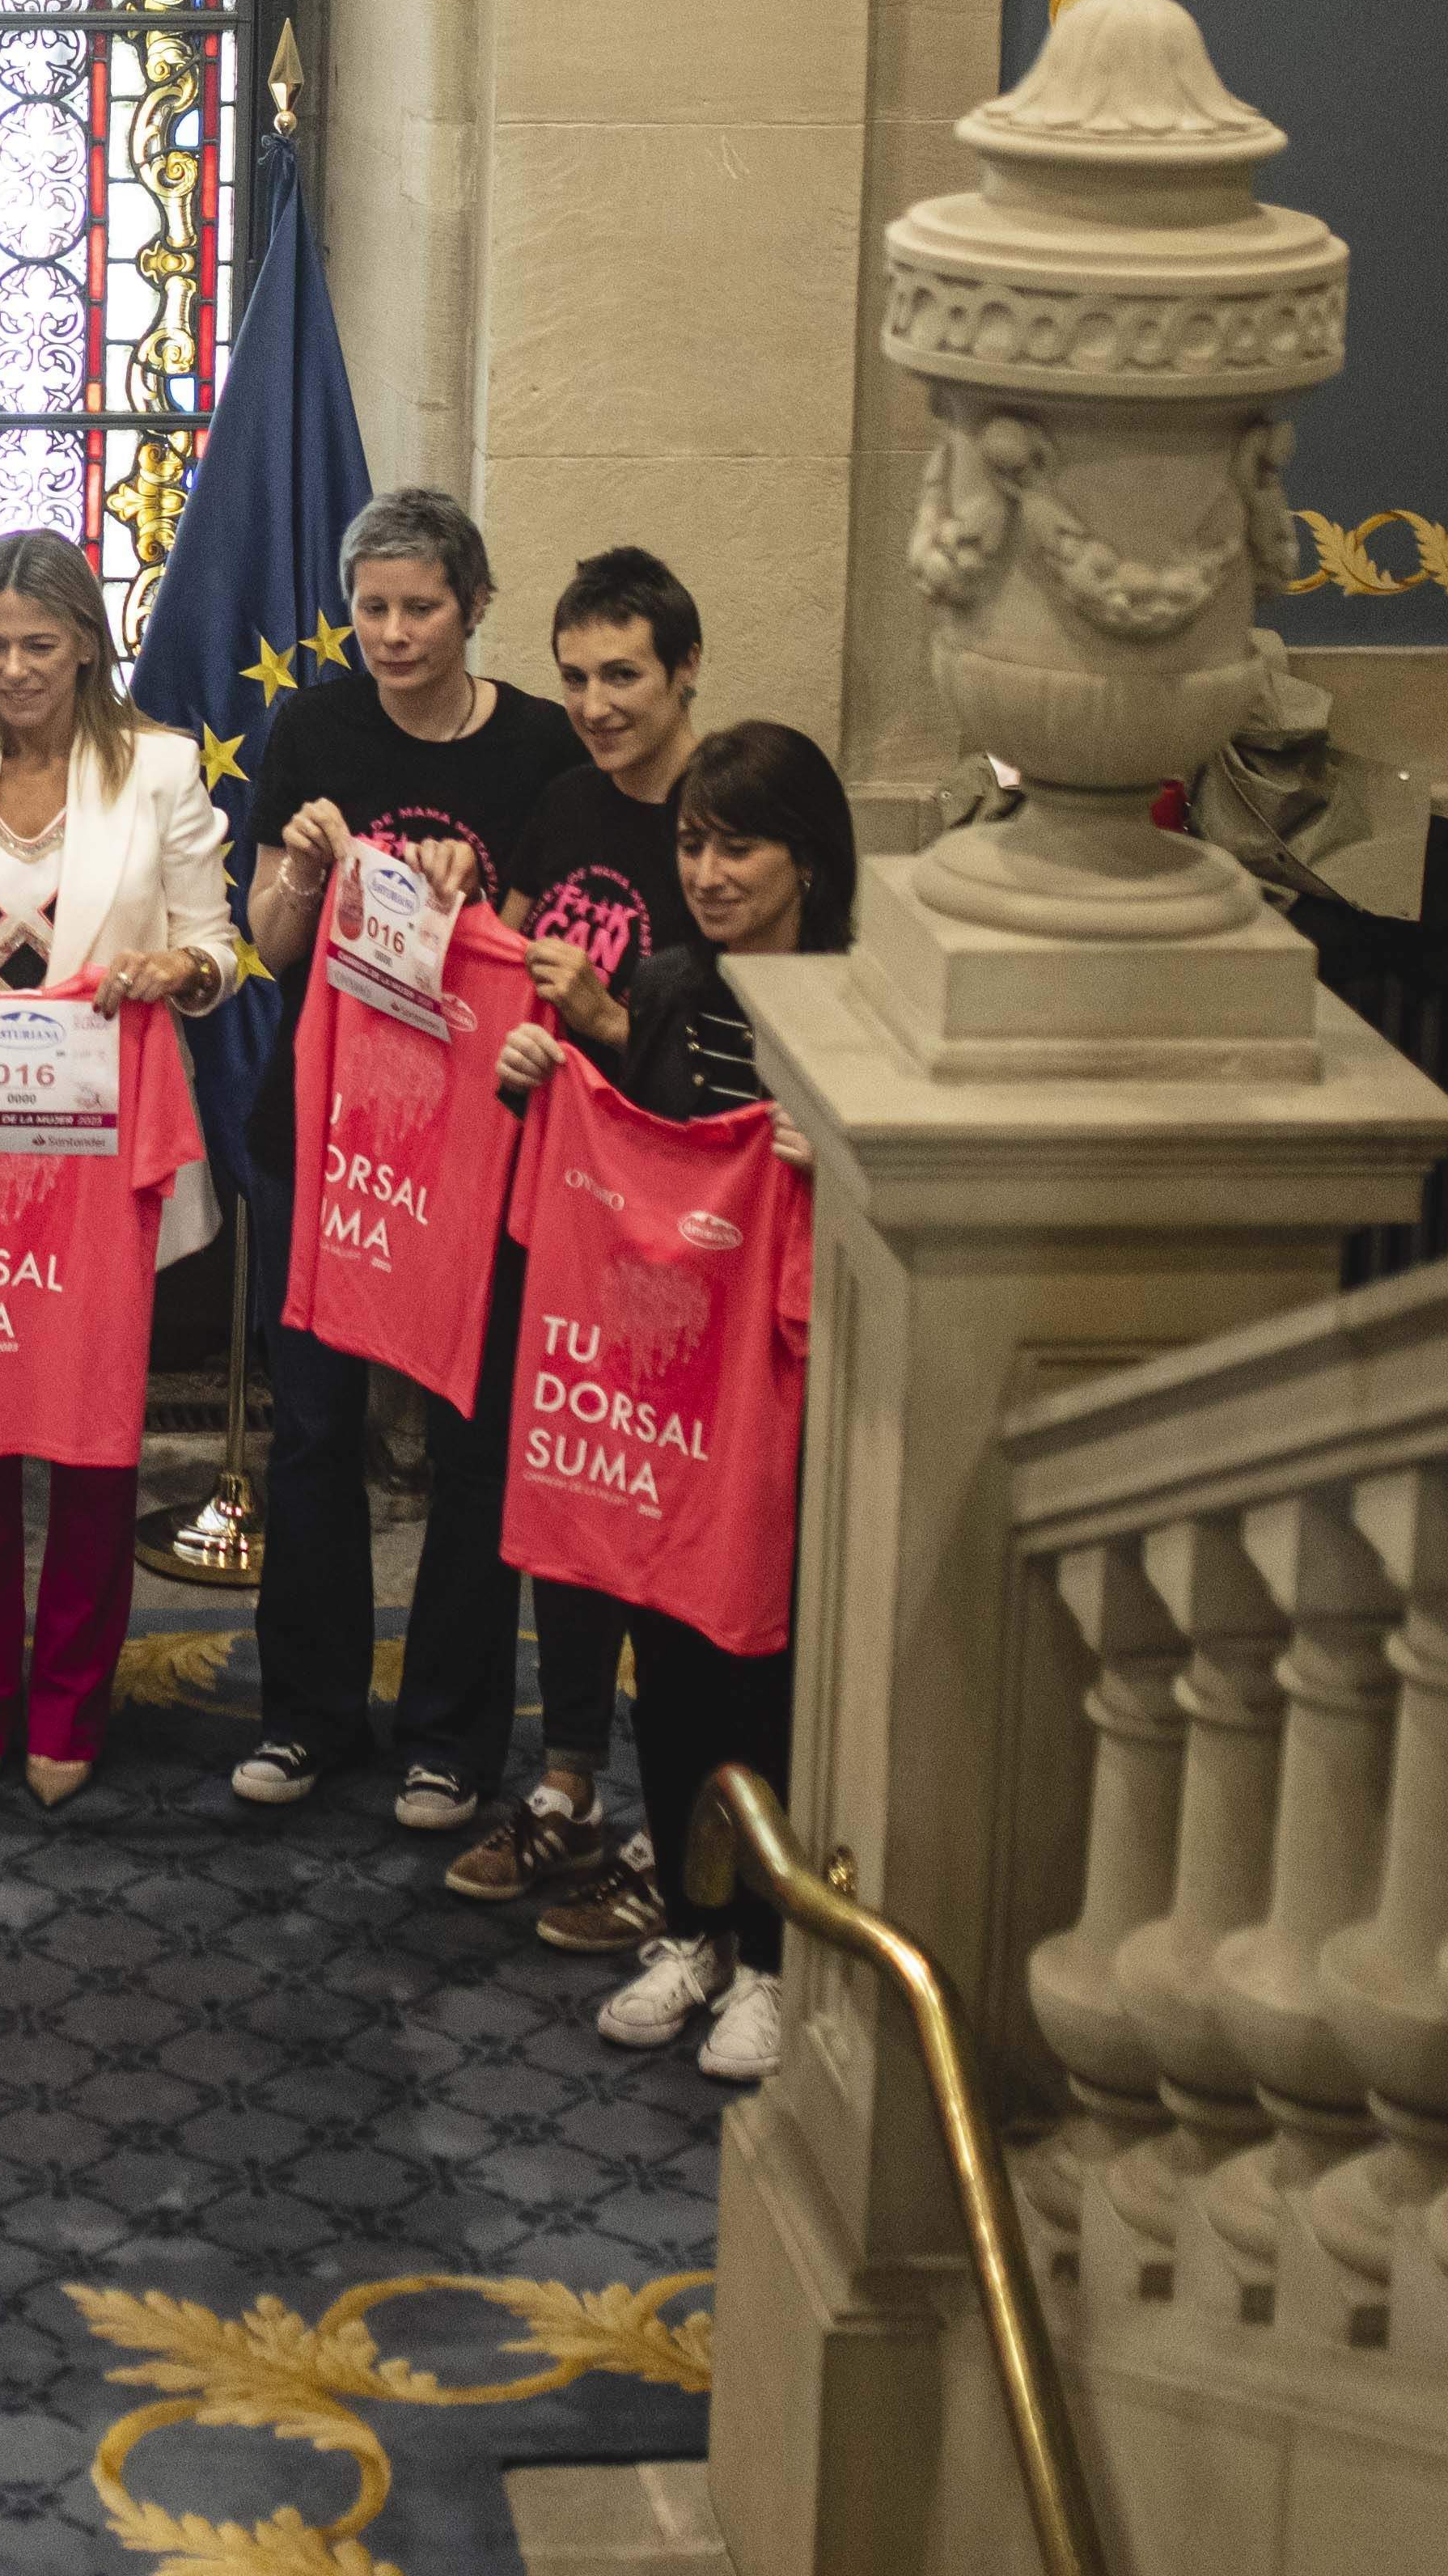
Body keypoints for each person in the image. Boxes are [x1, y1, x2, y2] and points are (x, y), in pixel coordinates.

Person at [218, 484, 590, 1822]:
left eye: (418, 604)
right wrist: (311, 873)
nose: (390, 630)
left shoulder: (542, 746)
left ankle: (450, 1734)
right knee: (310, 1432)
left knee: (472, 1441)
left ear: (475, 603)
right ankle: (308, 1713)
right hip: (323, 1133)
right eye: (370, 605)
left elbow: (549, 949)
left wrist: (473, 900)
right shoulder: (312, 722)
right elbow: (266, 936)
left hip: (476, 1142)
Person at [0, 528, 235, 1803]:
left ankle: (70, 1700)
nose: (14, 670)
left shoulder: (163, 770)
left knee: (89, 1438)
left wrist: (179, 971)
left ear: (85, 642)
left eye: (40, 644)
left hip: (100, 1154)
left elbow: (218, 943)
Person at [531, 715, 850, 2083]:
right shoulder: (662, 984)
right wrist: (543, 1080)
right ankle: (697, 1929)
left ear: (811, 858)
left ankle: (780, 1955)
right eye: (692, 842)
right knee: (665, 1667)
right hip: (663, 1401)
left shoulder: (864, 1005)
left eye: (740, 843)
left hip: (794, 1400)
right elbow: (627, 1159)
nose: (709, 869)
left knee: (764, 1675)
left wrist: (837, 1151)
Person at [437, 546, 719, 1924]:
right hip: (554, 1198)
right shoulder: (558, 802)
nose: (597, 702)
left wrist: (611, 1026)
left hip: (681, 1235)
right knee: (558, 1486)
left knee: (659, 1509)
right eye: (575, 676)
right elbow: (517, 968)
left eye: (623, 675)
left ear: (684, 672)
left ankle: (686, 1823)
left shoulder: (731, 822)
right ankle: (564, 1781)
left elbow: (744, 1040)